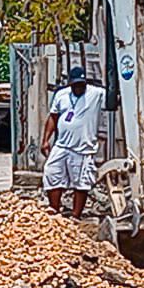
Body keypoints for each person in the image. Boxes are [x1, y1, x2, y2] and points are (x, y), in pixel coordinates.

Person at [41, 66, 106, 218]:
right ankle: (55, 209)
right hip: (62, 145)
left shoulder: (96, 93)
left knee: (81, 181)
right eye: (75, 85)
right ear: (70, 84)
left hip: (82, 147)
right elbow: (53, 117)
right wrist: (45, 140)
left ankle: (76, 216)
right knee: (51, 173)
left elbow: (114, 98)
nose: (79, 88)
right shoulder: (61, 95)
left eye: (81, 85)